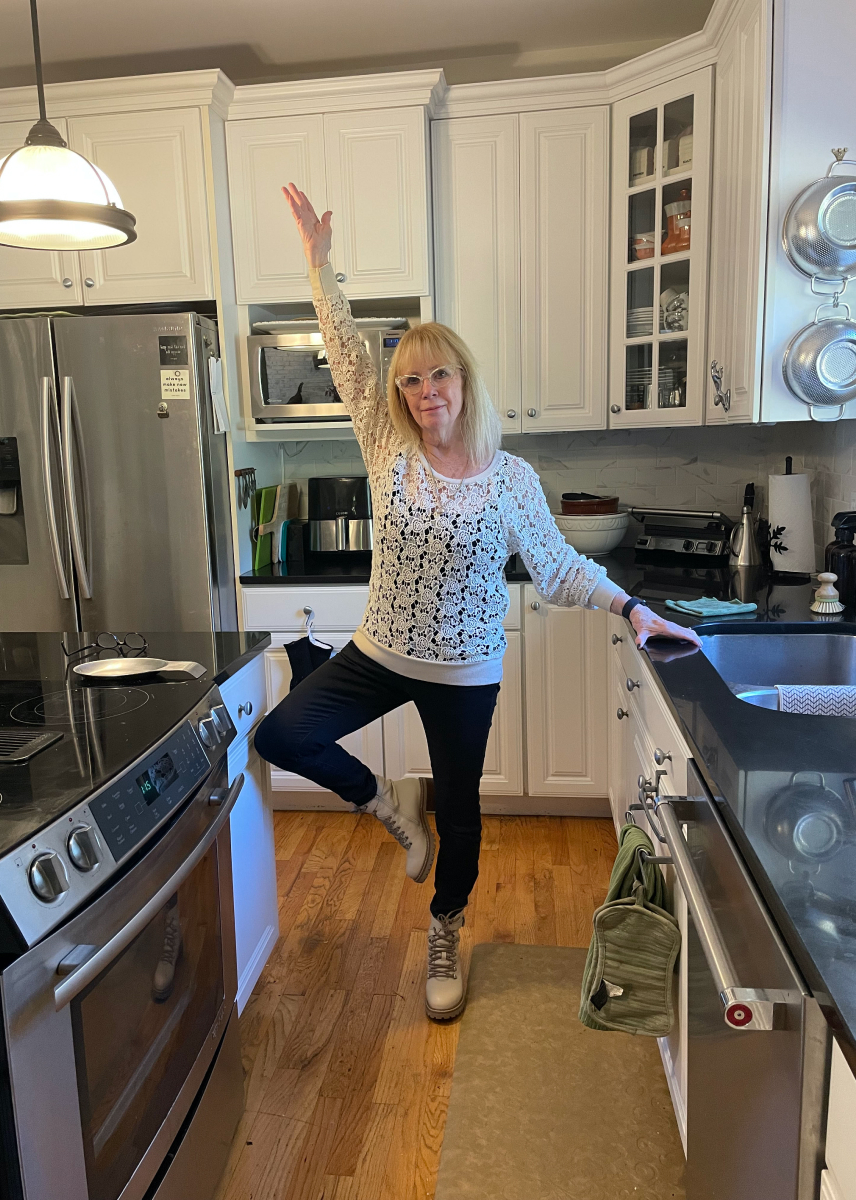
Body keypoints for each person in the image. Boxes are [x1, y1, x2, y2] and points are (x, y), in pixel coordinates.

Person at [253, 182, 702, 1022]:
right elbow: (346, 352)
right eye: (411, 380)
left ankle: (446, 928)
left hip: (465, 672)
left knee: (464, 812)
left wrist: (630, 608)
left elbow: (562, 569)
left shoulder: (511, 479)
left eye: (440, 375)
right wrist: (319, 266)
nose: (427, 392)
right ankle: (388, 807)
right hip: (380, 649)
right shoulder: (387, 448)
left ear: (464, 380)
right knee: (283, 732)